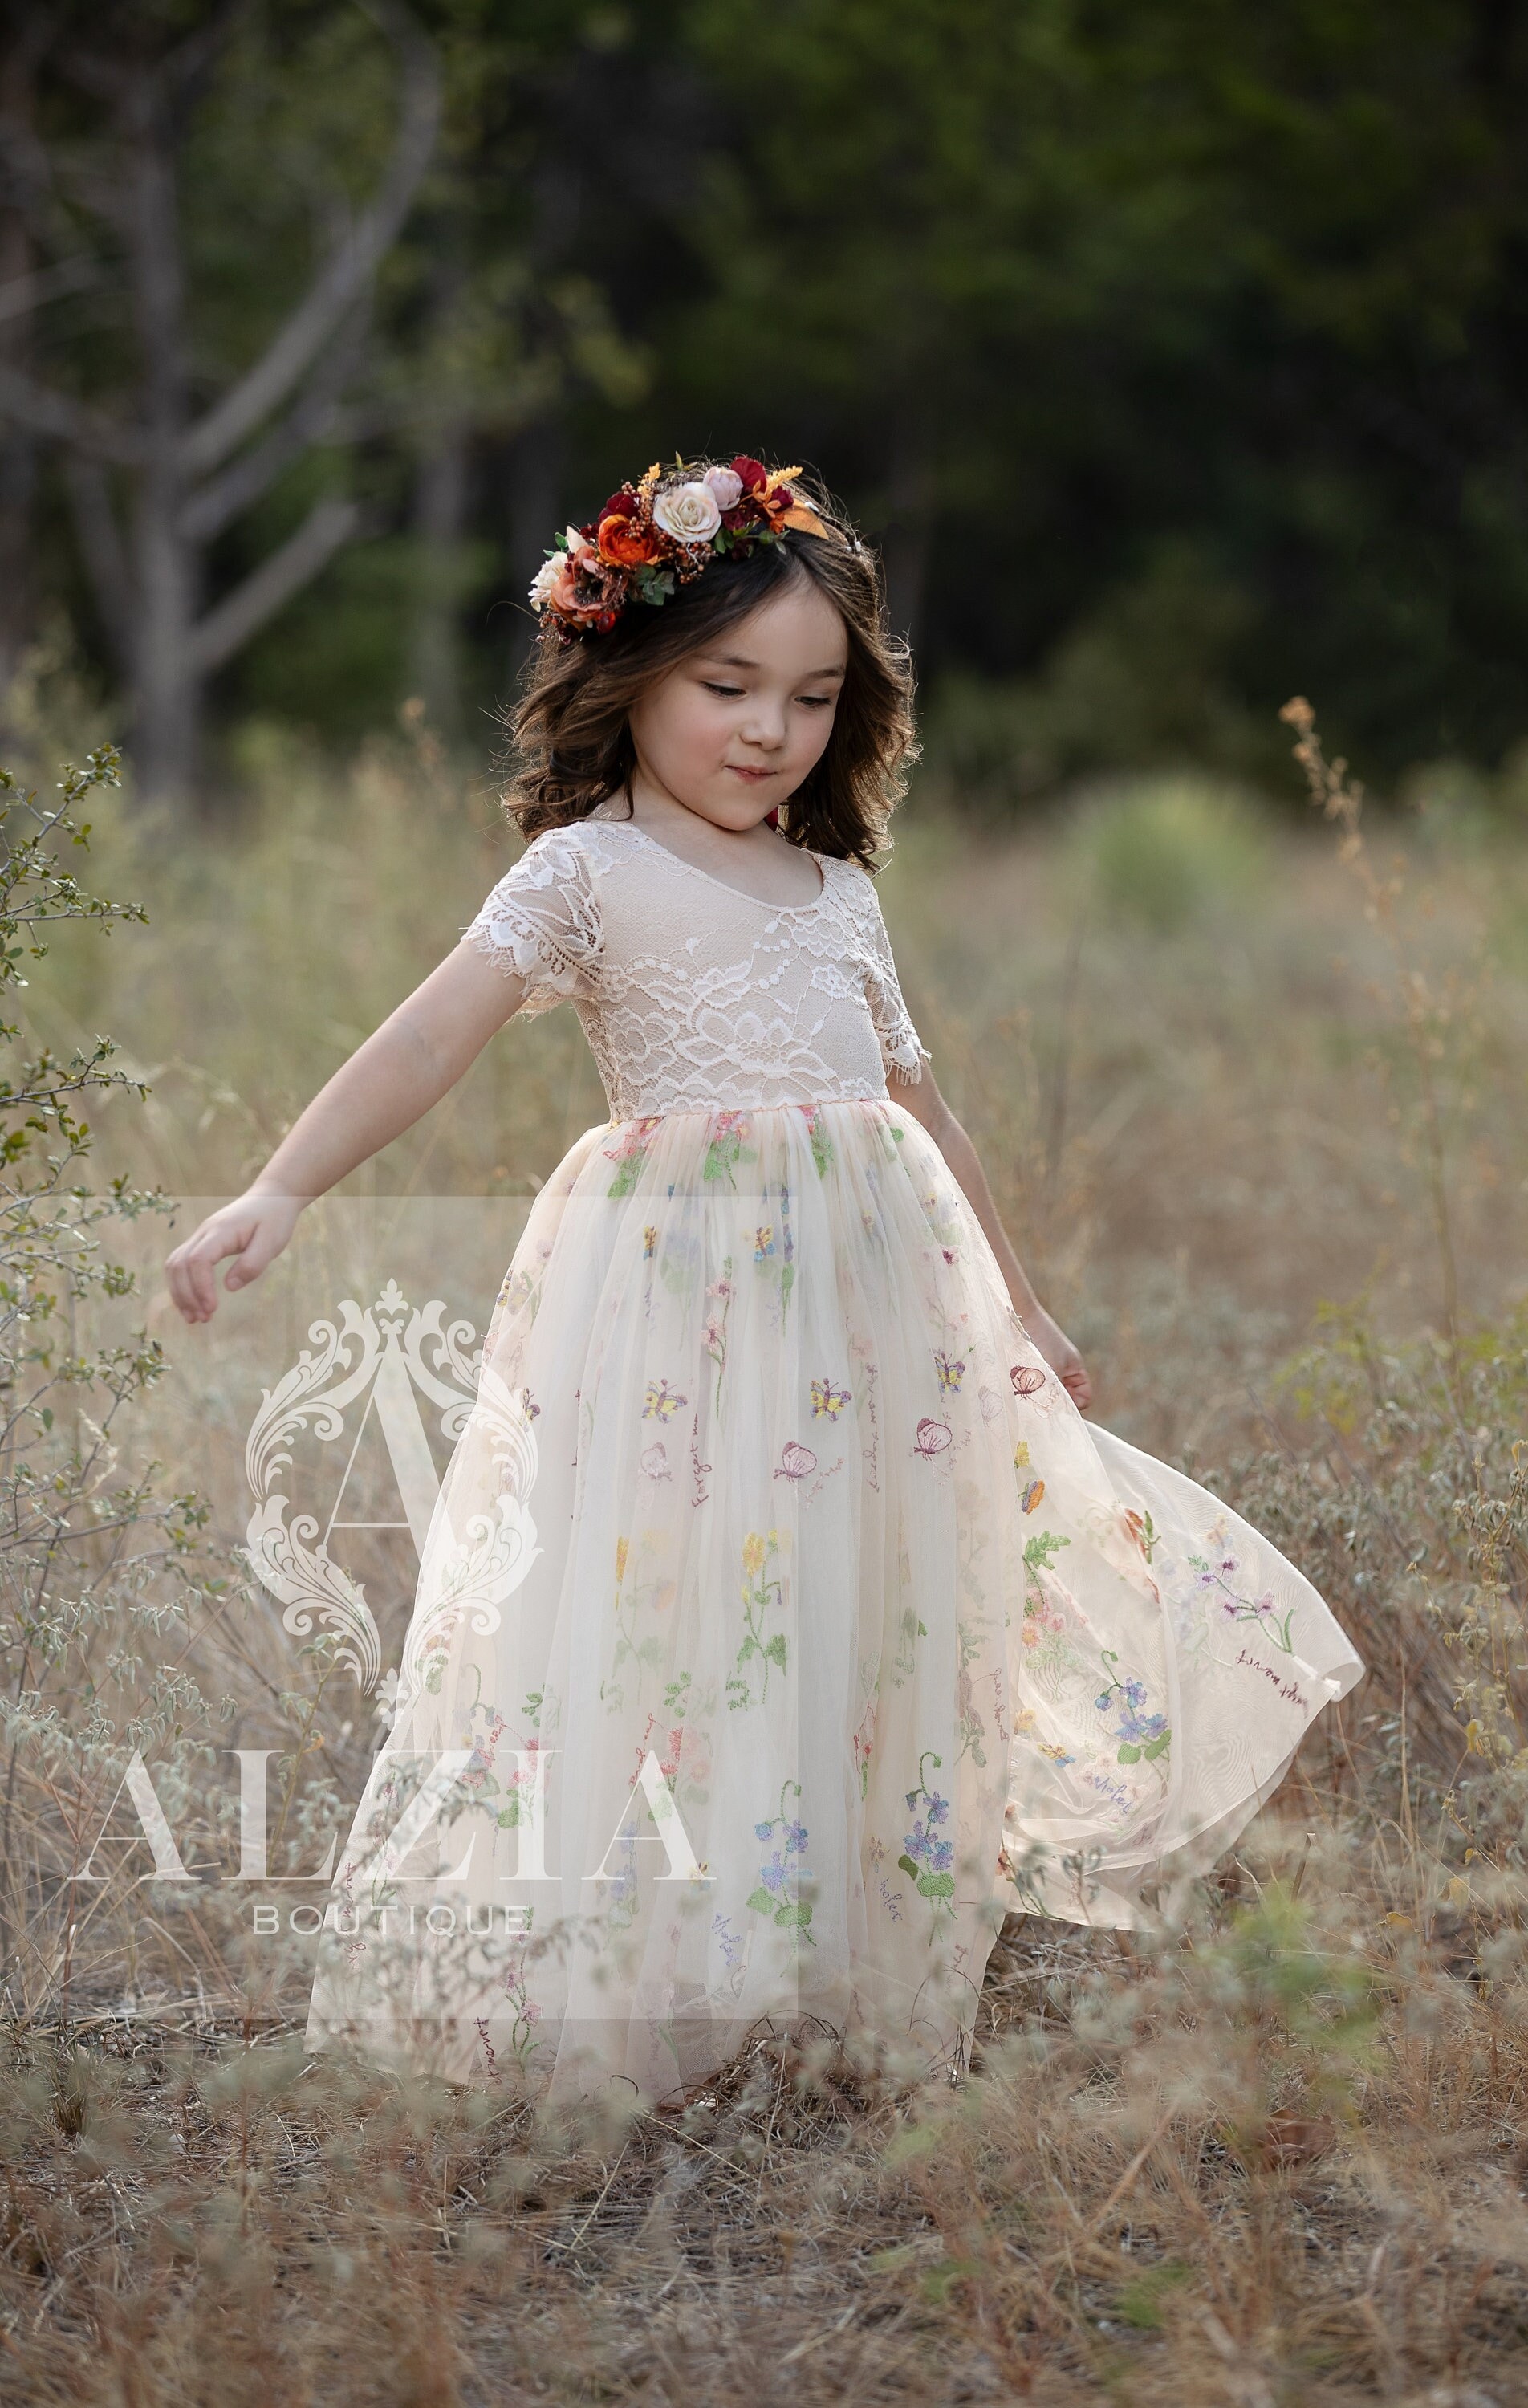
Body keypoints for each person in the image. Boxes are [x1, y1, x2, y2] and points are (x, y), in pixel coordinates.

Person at [165, 455, 1363, 2113]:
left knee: (858, 1604)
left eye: (809, 698)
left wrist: (1018, 1304)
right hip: (674, 1307)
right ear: (629, 676)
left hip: (871, 1309)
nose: (766, 730)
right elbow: (432, 1033)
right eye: (726, 686)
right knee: (677, 1608)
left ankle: (831, 1979)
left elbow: (918, 1108)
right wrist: (285, 1183)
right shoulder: (585, 875)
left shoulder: (836, 894)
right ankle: (639, 1984)